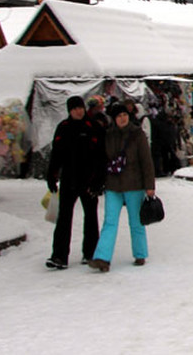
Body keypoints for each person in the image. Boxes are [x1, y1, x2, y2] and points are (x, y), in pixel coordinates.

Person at [89, 104, 155, 272]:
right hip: (113, 184)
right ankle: (102, 257)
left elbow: (146, 162)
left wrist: (149, 186)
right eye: (119, 116)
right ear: (114, 118)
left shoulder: (137, 134)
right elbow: (102, 159)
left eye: (125, 115)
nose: (122, 118)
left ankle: (140, 253)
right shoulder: (108, 135)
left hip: (134, 184)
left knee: (136, 221)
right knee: (109, 222)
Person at [46, 95, 107, 270]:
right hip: (68, 180)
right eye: (74, 109)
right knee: (64, 218)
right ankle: (59, 255)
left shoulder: (94, 127)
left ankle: (90, 252)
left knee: (91, 217)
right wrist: (51, 175)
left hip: (89, 180)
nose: (78, 111)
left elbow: (102, 157)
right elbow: (56, 154)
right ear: (69, 111)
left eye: (80, 108)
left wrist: (99, 181)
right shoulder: (63, 128)